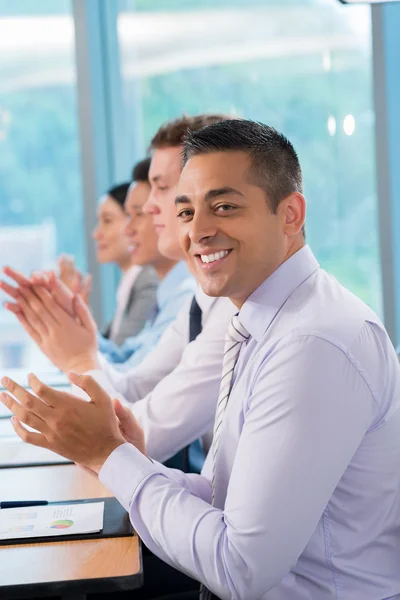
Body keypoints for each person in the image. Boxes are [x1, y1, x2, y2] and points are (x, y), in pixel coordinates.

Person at [3, 119, 400, 600]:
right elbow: (225, 500)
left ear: (291, 214)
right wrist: (124, 457)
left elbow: (239, 568)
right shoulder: (261, 316)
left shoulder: (310, 343)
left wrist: (112, 456)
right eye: (187, 212)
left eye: (225, 207)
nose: (199, 231)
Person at [1, 114, 234, 469]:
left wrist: (80, 358)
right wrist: (80, 350)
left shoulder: (228, 310)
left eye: (162, 187)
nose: (151, 206)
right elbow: (133, 390)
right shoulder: (201, 301)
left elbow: (139, 437)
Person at [93, 176, 159, 346]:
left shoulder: (148, 281)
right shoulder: (128, 284)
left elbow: (120, 353)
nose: (97, 234)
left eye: (107, 221)